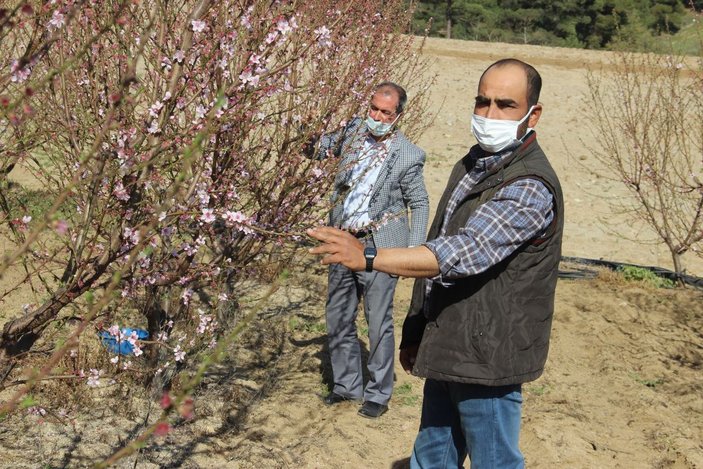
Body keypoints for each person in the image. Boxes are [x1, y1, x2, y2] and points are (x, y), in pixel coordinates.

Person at [307, 59, 564, 467]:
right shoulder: (473, 164)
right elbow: (443, 238)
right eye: (482, 102)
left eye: (505, 105)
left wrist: (370, 257)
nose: (489, 115)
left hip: (488, 358)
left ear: (533, 114)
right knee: (432, 457)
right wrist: (417, 327)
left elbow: (460, 252)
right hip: (451, 342)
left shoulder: (529, 185)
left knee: (493, 460)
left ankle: (375, 393)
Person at [311, 82, 429, 419]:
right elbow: (318, 149)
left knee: (378, 322)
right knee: (338, 315)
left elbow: (418, 203)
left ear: (398, 116)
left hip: (380, 245)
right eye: (373, 109)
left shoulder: (408, 155)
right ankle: (346, 385)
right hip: (342, 238)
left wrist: (413, 252)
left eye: (385, 113)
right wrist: (304, 130)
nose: (376, 117)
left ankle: (378, 392)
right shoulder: (351, 132)